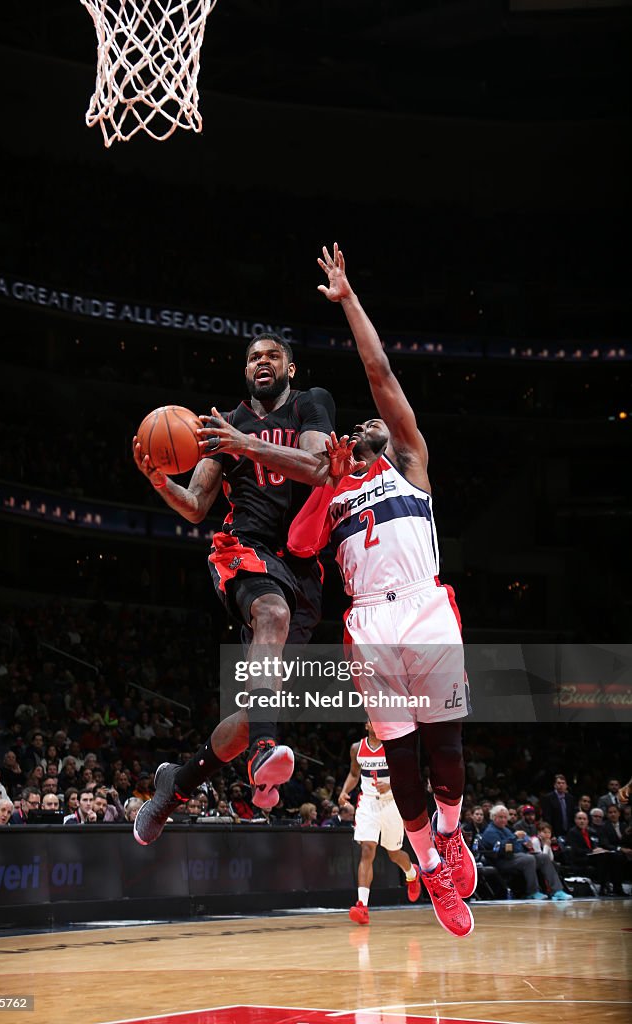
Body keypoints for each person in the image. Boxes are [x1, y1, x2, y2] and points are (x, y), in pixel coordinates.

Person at [287, 243, 476, 938]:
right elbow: (302, 547)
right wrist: (322, 481)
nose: (366, 426)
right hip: (367, 623)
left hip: (423, 604)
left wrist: (347, 300)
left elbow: (378, 371)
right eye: (358, 427)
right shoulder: (334, 490)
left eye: (374, 425)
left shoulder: (409, 463)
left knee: (446, 744)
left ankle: (452, 838)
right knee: (401, 758)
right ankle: (429, 868)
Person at [132, 332, 354, 845]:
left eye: (272, 355)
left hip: (301, 564)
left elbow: (319, 469)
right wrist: (161, 481)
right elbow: (195, 505)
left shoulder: (310, 404)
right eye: (254, 356)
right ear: (245, 369)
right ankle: (264, 750)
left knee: (254, 710)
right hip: (243, 550)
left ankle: (178, 784)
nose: (262, 362)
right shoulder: (219, 424)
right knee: (271, 618)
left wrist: (242, 443)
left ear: (289, 368)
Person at [339, 721, 421, 924]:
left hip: (392, 803)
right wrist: (344, 791)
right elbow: (354, 774)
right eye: (372, 720)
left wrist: (391, 785)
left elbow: (408, 776)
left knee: (394, 854)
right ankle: (362, 906)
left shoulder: (393, 746)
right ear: (367, 725)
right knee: (367, 849)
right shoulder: (357, 748)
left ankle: (412, 873)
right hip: (367, 802)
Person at [481, 804, 572, 900]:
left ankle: (557, 891)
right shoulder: (490, 832)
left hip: (514, 857)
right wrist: (515, 837)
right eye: (500, 817)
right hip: (502, 861)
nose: (504, 820)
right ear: (493, 817)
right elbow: (501, 848)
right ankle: (532, 892)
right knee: (528, 859)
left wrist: (526, 846)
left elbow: (516, 847)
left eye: (505, 817)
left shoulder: (506, 829)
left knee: (543, 857)